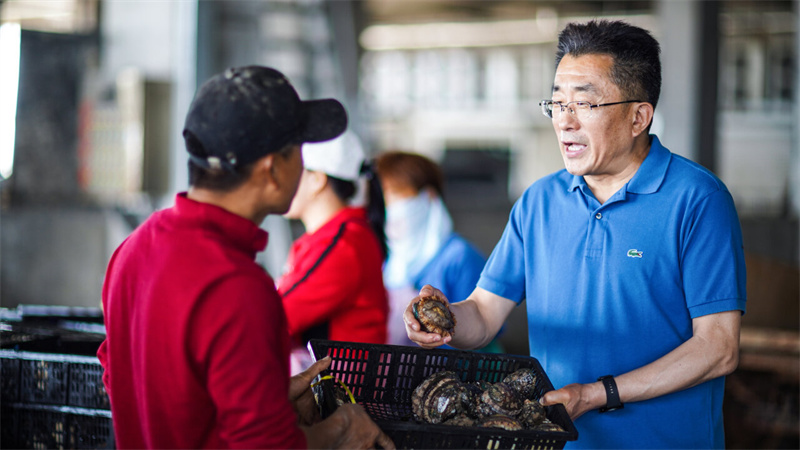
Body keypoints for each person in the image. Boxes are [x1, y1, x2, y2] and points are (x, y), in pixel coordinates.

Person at [403, 20, 746, 449]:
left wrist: (597, 393)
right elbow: (485, 314)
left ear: (639, 116)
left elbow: (718, 347)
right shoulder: (539, 202)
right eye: (557, 103)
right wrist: (444, 320)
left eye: (584, 104)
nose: (565, 122)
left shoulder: (697, 199)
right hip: (559, 442)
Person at [98, 65, 394, 449]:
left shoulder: (133, 249)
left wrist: (265, 397)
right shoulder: (238, 286)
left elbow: (123, 378)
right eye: (300, 150)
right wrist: (342, 429)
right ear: (273, 169)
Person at [279, 131, 389, 374]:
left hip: (340, 400)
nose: (277, 179)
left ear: (317, 180)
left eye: (288, 168)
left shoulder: (343, 244)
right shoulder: (334, 237)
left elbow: (276, 316)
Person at [375, 151, 501, 351]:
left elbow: (489, 323)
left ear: (429, 196)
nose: (388, 207)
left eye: (394, 195)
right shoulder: (387, 258)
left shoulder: (460, 257)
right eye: (381, 199)